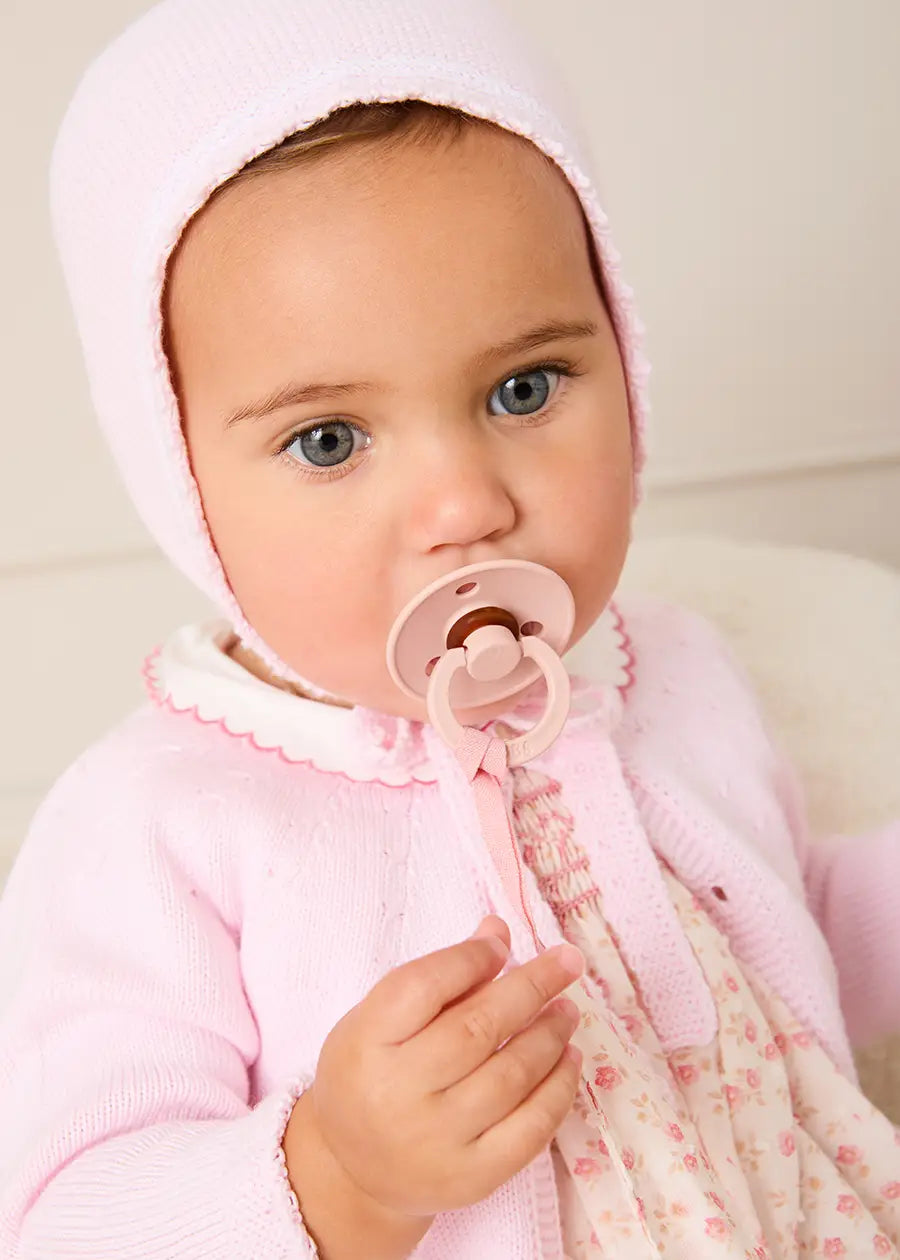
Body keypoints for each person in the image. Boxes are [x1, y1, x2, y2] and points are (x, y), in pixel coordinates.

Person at [1, 0, 898, 1256]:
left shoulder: (679, 671)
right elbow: (65, 1217)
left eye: (523, 388)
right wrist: (337, 1175)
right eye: (329, 441)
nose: (466, 504)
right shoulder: (155, 826)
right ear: (180, 478)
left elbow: (779, 927)